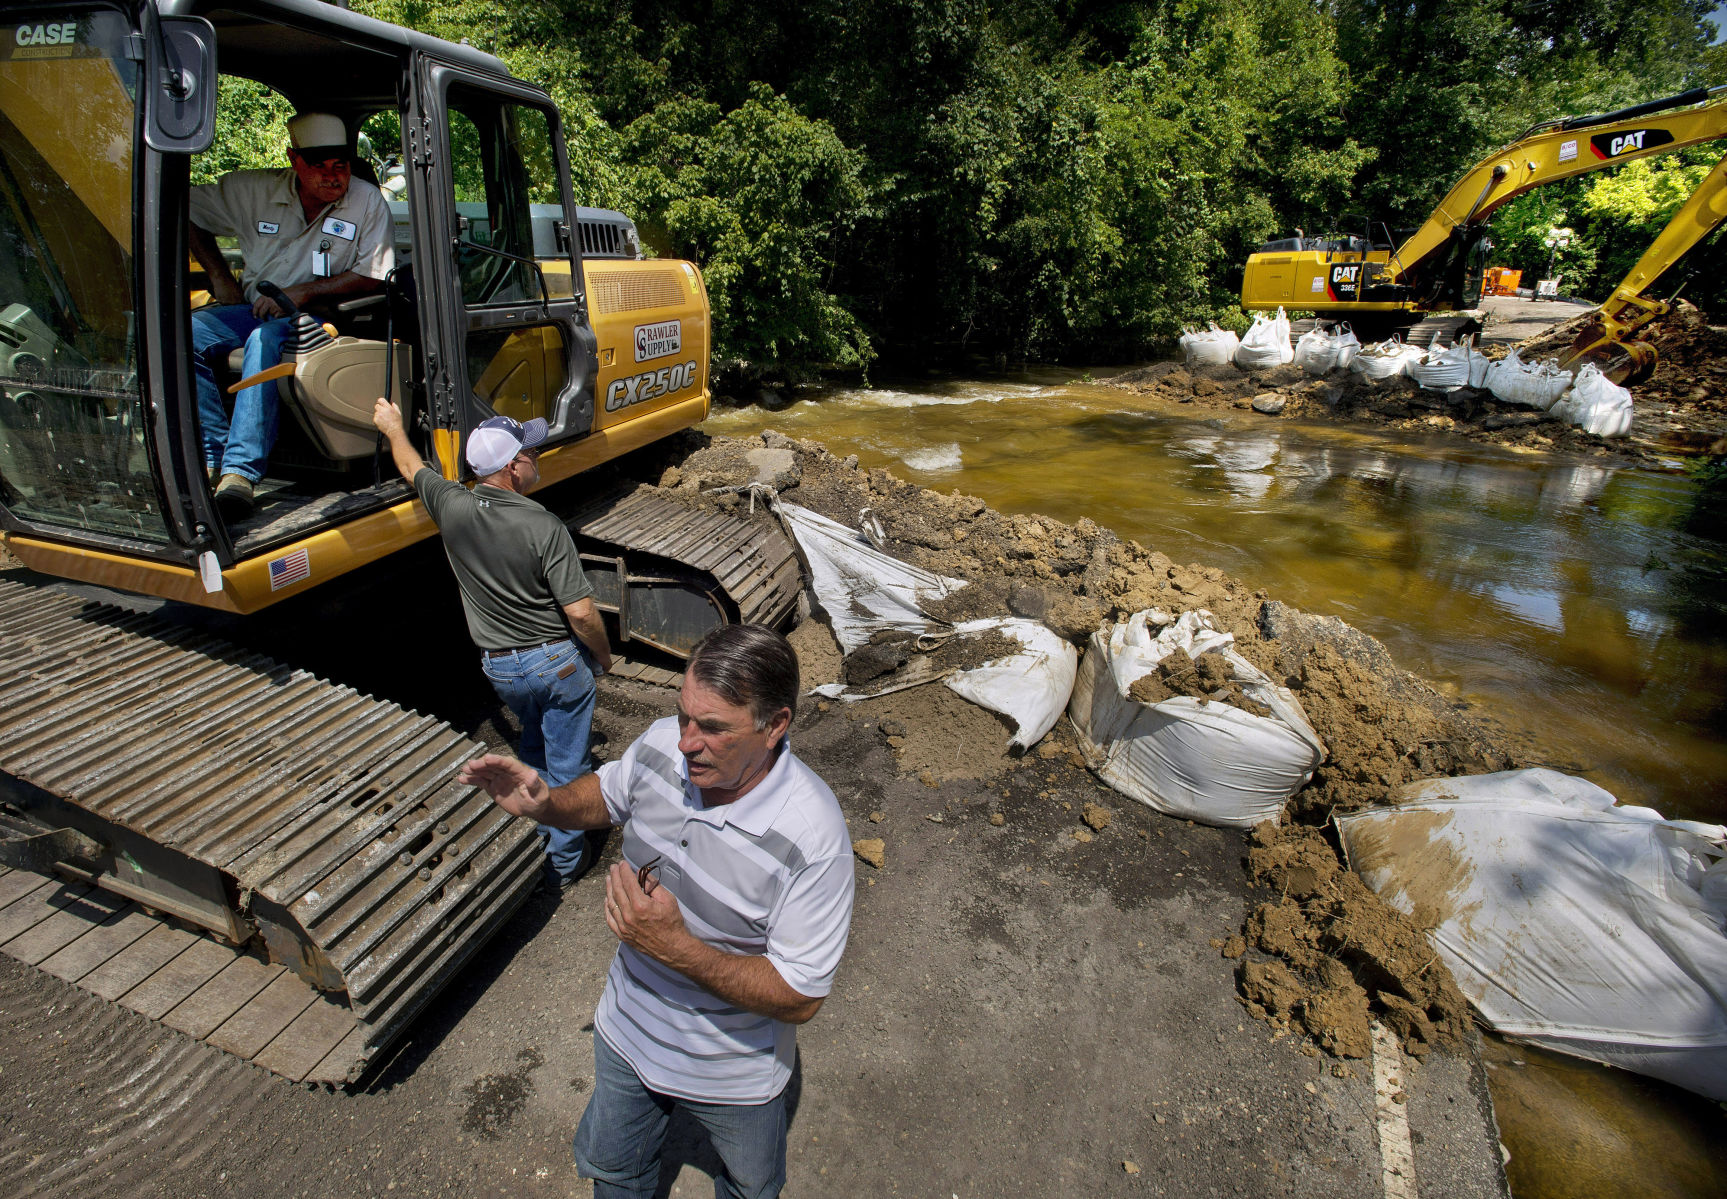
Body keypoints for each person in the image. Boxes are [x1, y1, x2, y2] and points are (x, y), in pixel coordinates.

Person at [458, 624, 856, 1199]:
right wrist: (547, 804)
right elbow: (612, 793)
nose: (687, 742)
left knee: (749, 1187)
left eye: (713, 727)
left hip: (734, 1072)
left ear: (776, 726)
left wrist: (677, 949)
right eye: (684, 716)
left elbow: (800, 996)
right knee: (616, 1171)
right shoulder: (661, 743)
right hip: (627, 1032)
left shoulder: (812, 838)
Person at [373, 398, 612, 886]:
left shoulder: (451, 504)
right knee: (569, 766)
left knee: (532, 743)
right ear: (512, 467)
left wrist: (393, 427)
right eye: (531, 453)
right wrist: (602, 659)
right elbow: (581, 612)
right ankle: (565, 862)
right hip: (556, 664)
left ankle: (531, 831)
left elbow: (410, 464)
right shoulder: (542, 525)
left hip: (501, 669)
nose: (537, 457)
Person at [190, 112, 394, 516]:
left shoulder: (366, 200)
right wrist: (219, 275)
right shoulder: (252, 190)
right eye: (321, 167)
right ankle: (213, 455)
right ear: (294, 160)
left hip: (324, 316)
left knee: (263, 340)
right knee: (186, 332)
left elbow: (374, 276)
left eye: (341, 166)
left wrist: (302, 292)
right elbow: (186, 207)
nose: (334, 177)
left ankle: (240, 472)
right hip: (254, 308)